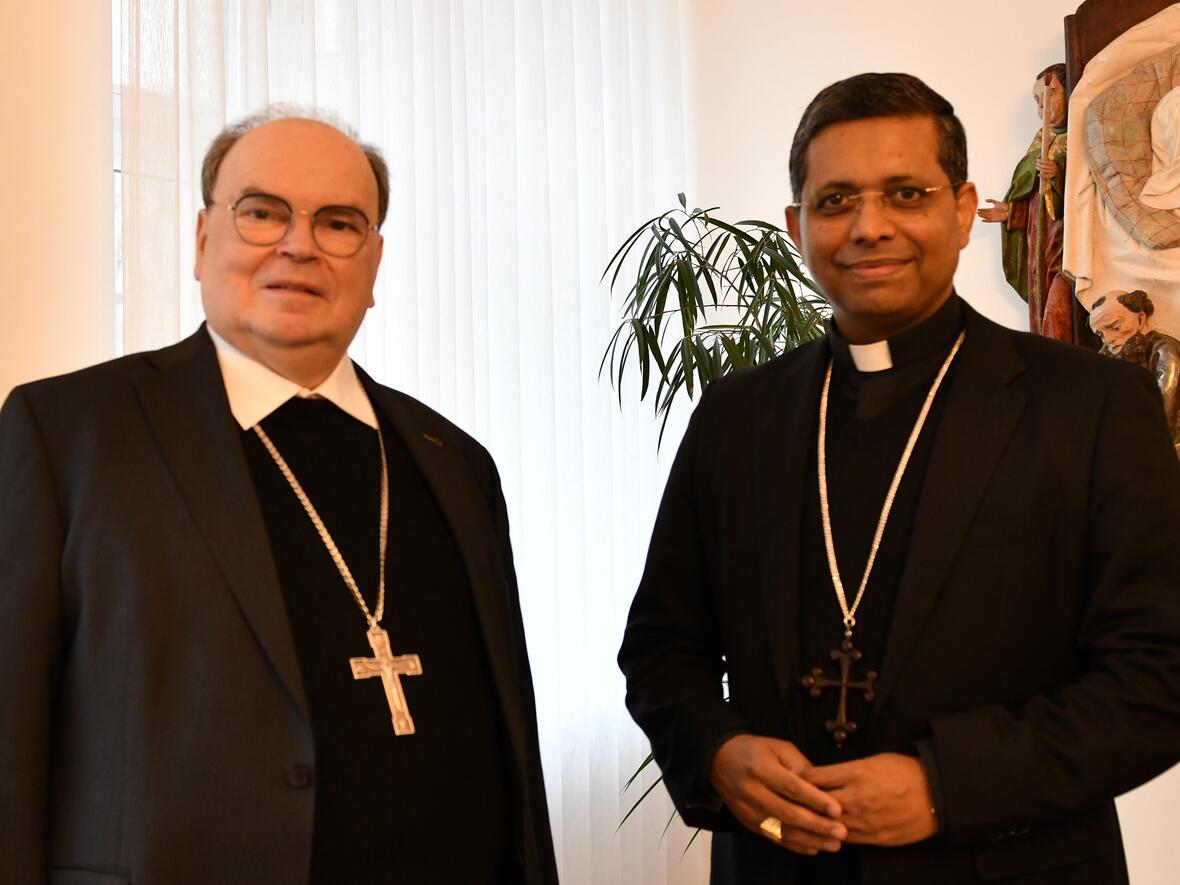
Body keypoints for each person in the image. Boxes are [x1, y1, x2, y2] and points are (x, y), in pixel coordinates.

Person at [618, 72, 1180, 885]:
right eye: (836, 200)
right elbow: (663, 647)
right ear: (796, 225)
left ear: (962, 210)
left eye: (905, 193)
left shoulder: (1092, 406)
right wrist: (718, 750)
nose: (868, 227)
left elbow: (1158, 678)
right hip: (780, 869)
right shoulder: (737, 417)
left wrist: (948, 785)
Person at [0, 109, 558, 885]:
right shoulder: (68, 434)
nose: (298, 245)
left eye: (339, 223)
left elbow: (511, 748)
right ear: (202, 239)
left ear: (374, 262)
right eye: (261, 213)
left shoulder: (455, 460)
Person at [977, 64, 1075, 341]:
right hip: (1040, 247)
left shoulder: (1081, 135)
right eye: (1037, 100)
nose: (1043, 105)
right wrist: (1013, 212)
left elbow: (1085, 195)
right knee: (1042, 311)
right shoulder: (1040, 141)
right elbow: (1037, 204)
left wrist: (1058, 175)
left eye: (1050, 93)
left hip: (1067, 247)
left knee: (1061, 307)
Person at [1089, 289, 1180, 456]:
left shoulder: (1164, 351)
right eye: (1101, 335)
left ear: (1140, 318)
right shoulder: (1109, 356)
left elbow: (1166, 408)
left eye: (1115, 327)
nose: (1108, 340)